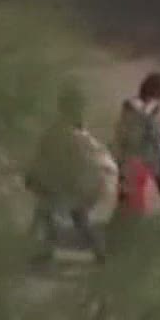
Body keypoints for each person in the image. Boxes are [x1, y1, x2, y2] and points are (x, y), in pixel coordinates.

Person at [26, 87, 111, 261]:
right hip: (74, 184)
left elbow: (48, 156)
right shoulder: (75, 131)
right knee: (76, 218)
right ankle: (99, 253)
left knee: (49, 215)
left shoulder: (65, 132)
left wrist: (36, 176)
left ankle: (45, 251)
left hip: (67, 184)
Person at [114, 72, 160, 212]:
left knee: (130, 189)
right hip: (148, 154)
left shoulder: (138, 105)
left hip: (147, 153)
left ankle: (118, 223)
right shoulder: (146, 107)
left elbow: (124, 129)